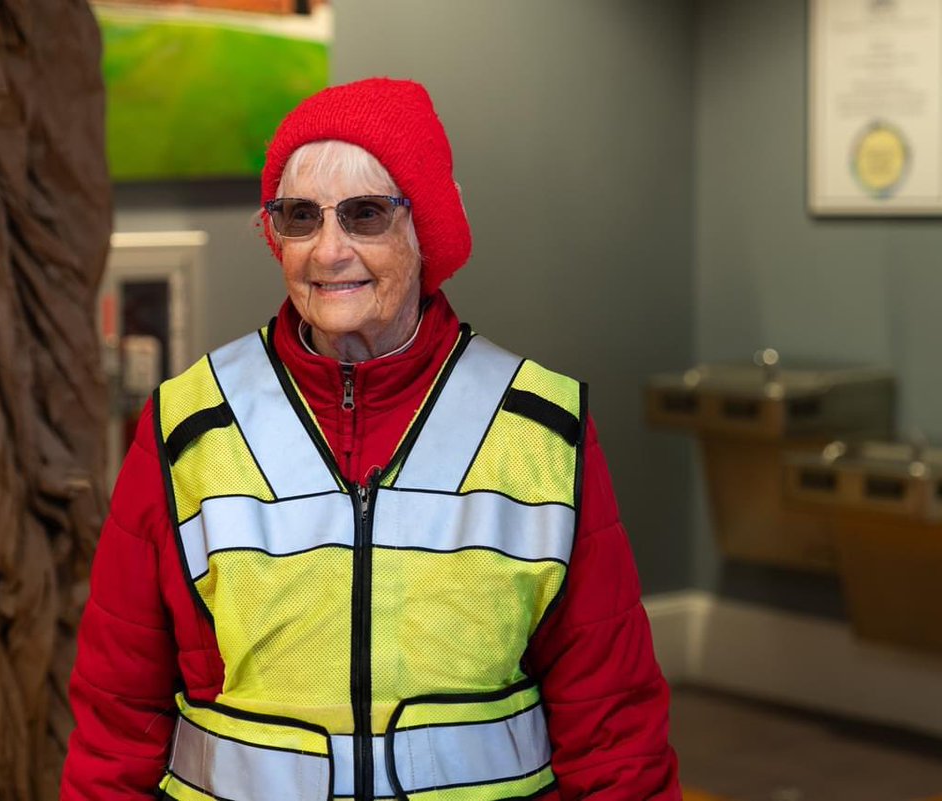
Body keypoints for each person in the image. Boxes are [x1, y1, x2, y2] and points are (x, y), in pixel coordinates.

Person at [61, 77, 679, 801]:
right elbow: (117, 714)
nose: (329, 251)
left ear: (428, 231)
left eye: (365, 215)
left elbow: (614, 730)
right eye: (299, 216)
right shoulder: (185, 425)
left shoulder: (543, 429)